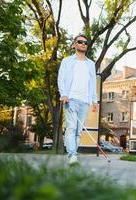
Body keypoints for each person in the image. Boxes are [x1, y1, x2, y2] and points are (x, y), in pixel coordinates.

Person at [58, 34, 98, 164]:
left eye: (85, 43)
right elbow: (61, 78)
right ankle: (73, 155)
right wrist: (63, 94)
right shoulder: (67, 61)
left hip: (84, 101)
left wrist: (94, 100)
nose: (83, 44)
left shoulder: (91, 64)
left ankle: (72, 155)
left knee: (78, 131)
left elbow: (92, 83)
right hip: (71, 99)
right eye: (80, 42)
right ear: (74, 44)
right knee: (71, 127)